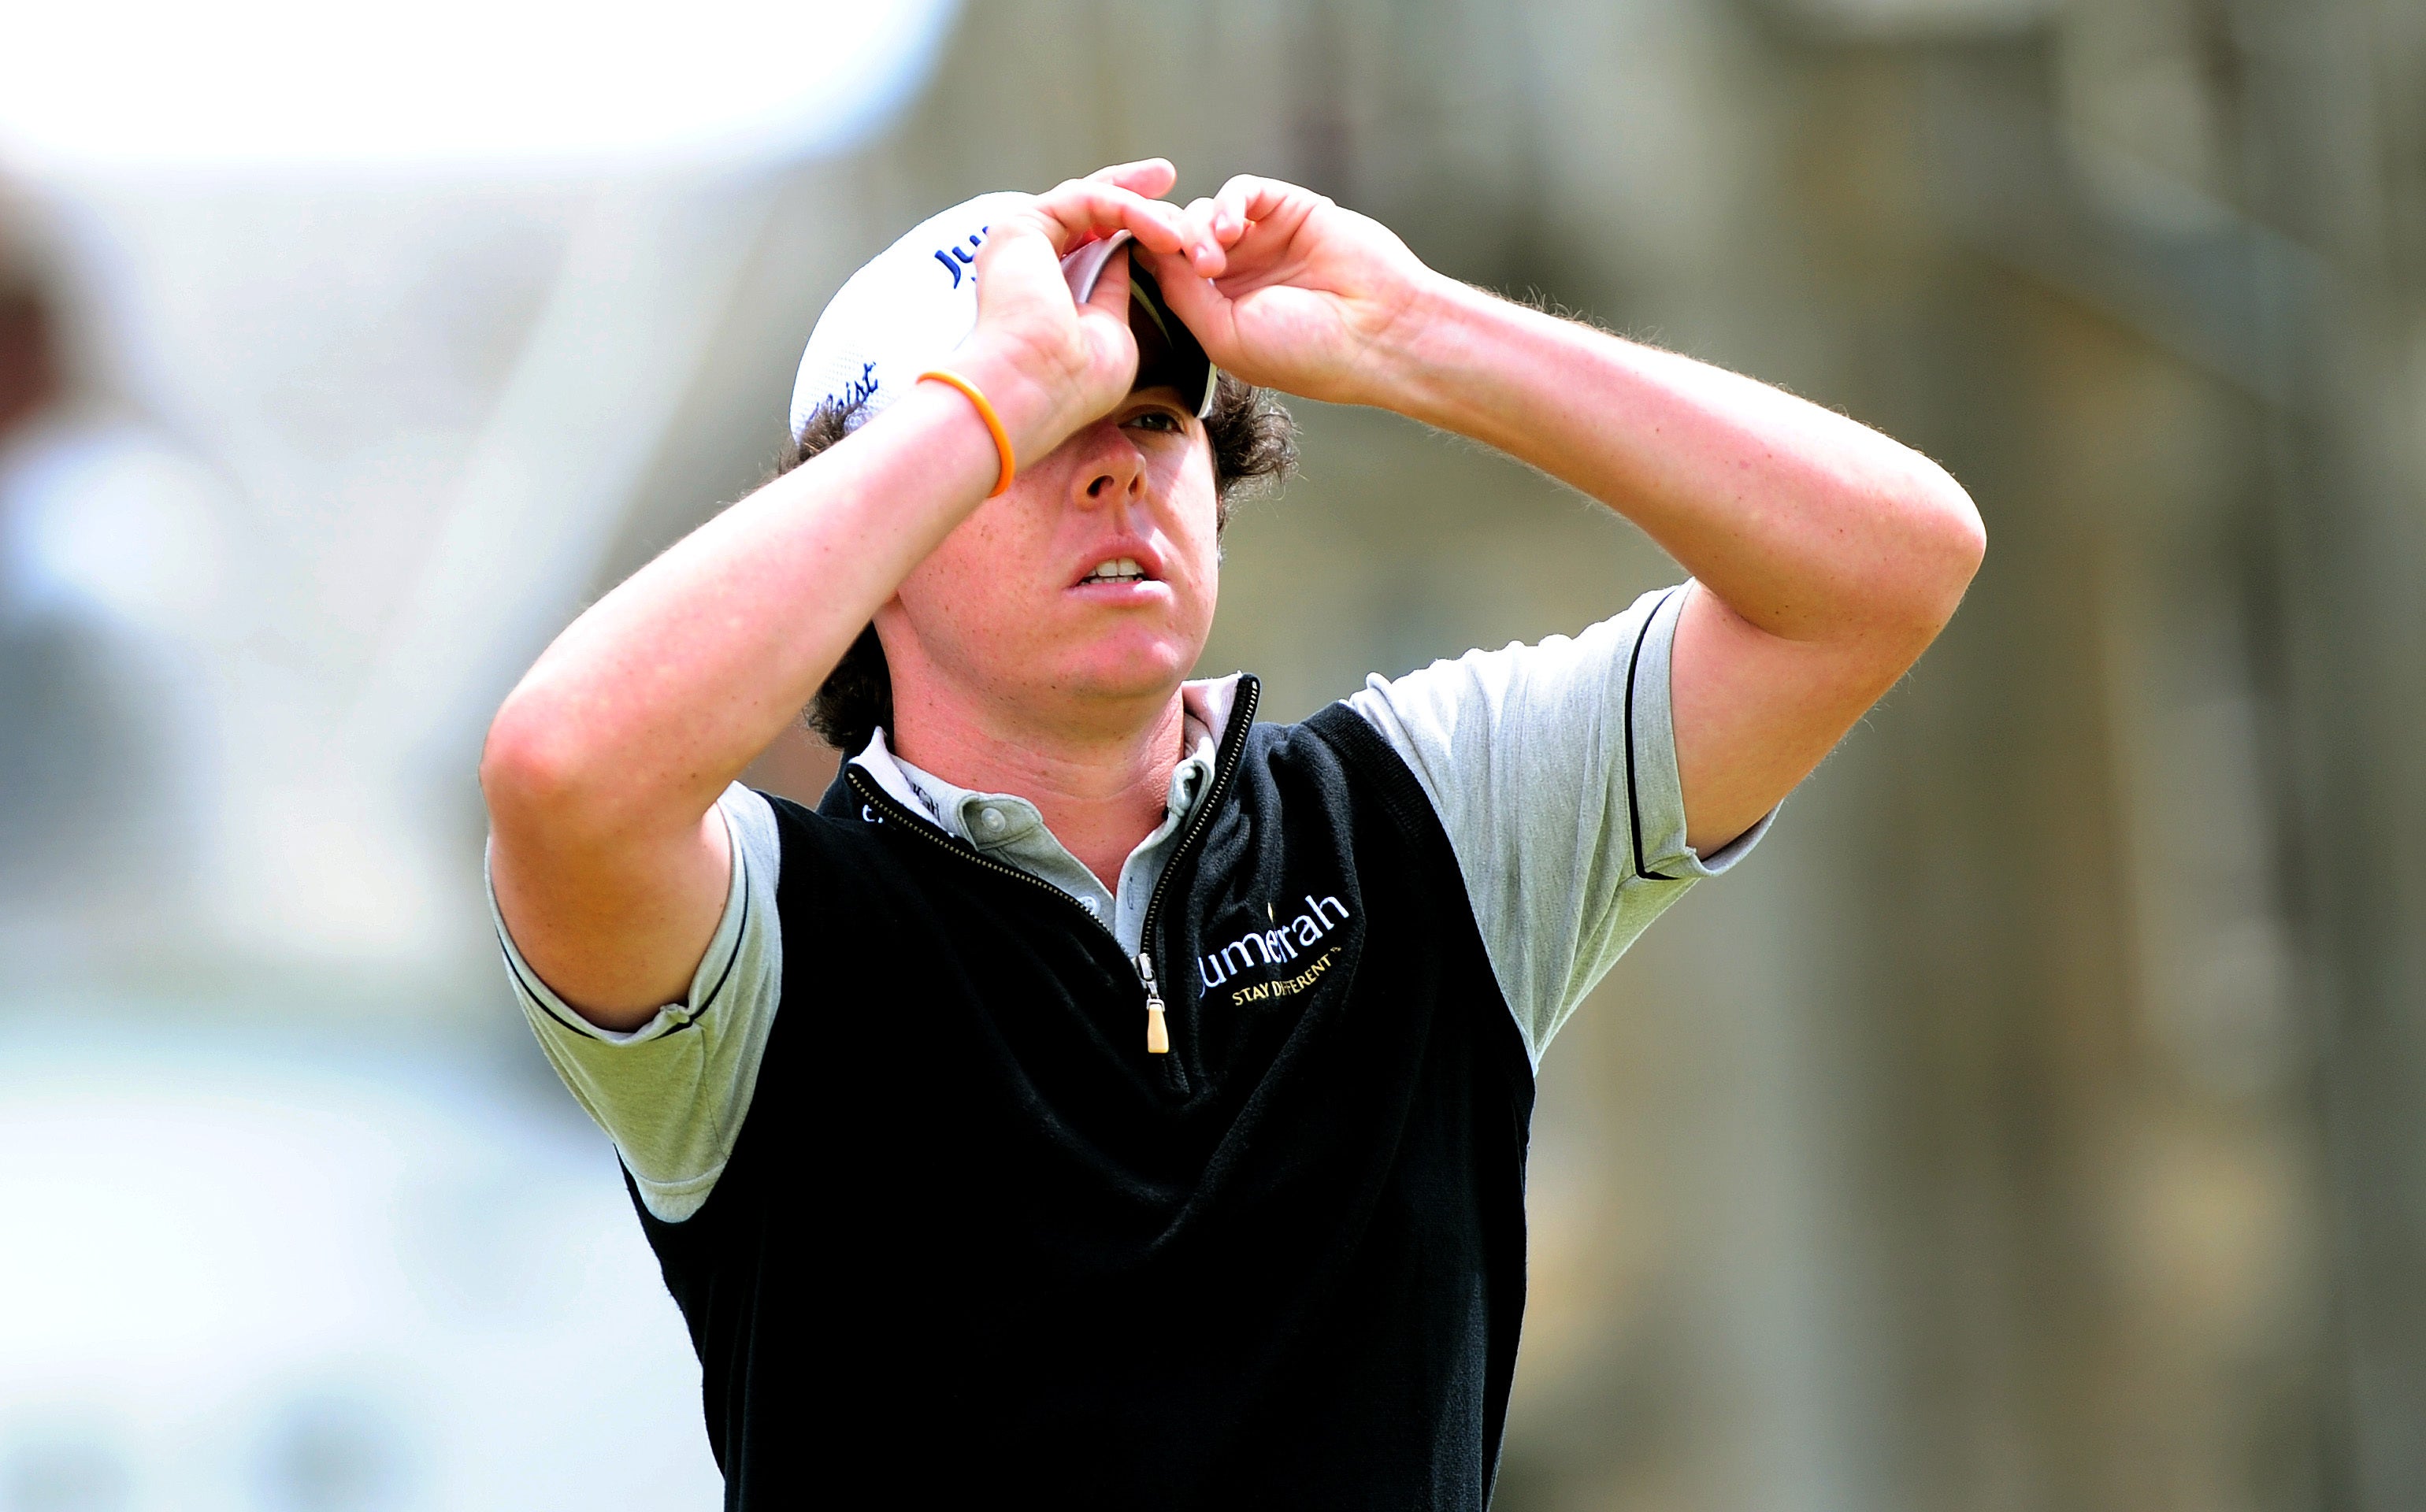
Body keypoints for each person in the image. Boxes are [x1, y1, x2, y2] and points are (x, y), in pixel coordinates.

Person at [480, 159, 1983, 1507]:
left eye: (1153, 413)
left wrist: (1419, 338)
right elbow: (559, 771)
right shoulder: (764, 943)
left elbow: (1890, 565)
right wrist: (989, 398)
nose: (1119, 460)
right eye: (1046, 430)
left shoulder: (1427, 815)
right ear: (877, 525)